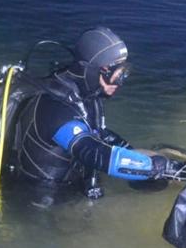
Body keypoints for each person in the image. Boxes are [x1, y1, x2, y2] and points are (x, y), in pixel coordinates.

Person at [10, 26, 176, 200]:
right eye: (116, 75)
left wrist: (132, 152)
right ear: (92, 70)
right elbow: (92, 152)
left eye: (124, 73)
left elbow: (98, 133)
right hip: (44, 200)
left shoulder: (87, 93)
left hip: (72, 188)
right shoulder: (55, 107)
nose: (120, 82)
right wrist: (163, 167)